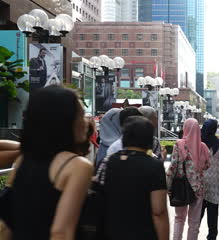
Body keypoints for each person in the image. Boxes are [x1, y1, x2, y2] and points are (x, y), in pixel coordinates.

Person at [6, 86, 94, 239]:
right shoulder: (77, 166)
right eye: (81, 115)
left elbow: (7, 222)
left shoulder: (23, 161)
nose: (86, 122)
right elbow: (61, 232)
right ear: (65, 121)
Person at [99, 116, 169, 240]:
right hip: (143, 233)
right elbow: (159, 211)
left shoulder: (108, 161)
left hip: (111, 232)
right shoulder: (154, 166)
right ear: (149, 139)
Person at [167, 118, 210, 240]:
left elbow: (173, 167)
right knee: (194, 223)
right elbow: (207, 165)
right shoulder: (203, 147)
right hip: (198, 189)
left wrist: (168, 186)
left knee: (179, 219)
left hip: (182, 187)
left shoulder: (179, 144)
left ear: (185, 128)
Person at [200, 119, 219, 240]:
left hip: (199, 181)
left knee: (198, 212)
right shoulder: (218, 143)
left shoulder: (198, 143)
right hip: (214, 183)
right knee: (213, 212)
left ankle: (193, 232)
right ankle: (212, 236)